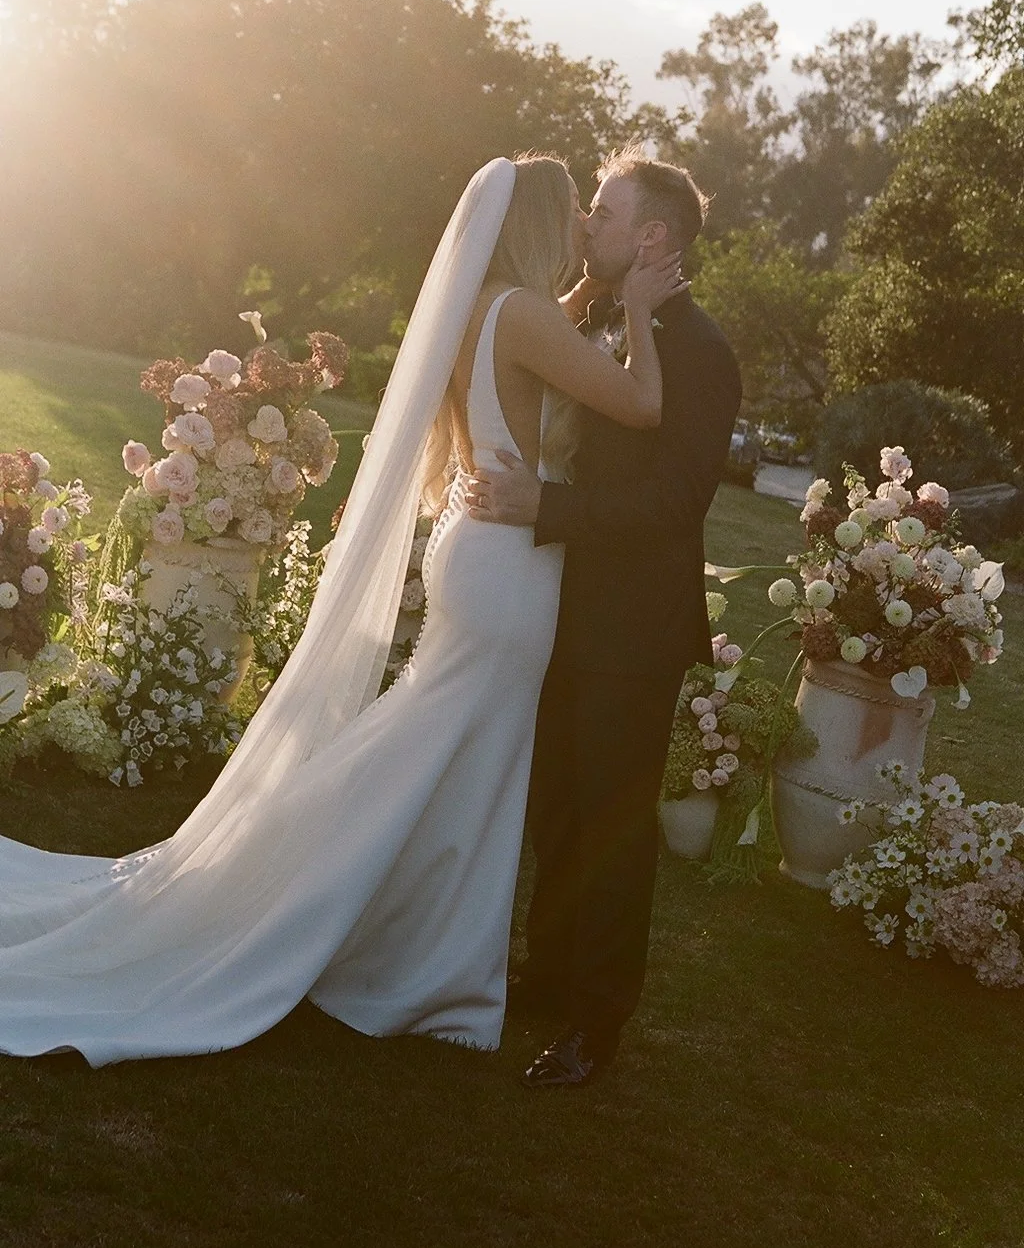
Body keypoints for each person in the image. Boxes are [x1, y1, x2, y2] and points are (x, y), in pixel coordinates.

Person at [0, 154, 685, 1067]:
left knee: (446, 755)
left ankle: (398, 936)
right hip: (510, 570)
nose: (579, 237)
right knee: (446, 757)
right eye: (571, 219)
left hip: (484, 555)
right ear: (536, 224)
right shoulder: (522, 314)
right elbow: (642, 404)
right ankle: (366, 929)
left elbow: (549, 354)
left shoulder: (492, 312)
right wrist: (639, 302)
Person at [468, 145, 742, 1087]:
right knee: (558, 810)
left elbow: (674, 503)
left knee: (615, 830)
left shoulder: (701, 352)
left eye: (607, 213)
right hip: (565, 612)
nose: (590, 224)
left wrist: (546, 511)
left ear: (653, 235)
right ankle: (547, 976)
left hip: (632, 633)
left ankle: (595, 1024)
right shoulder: (596, 321)